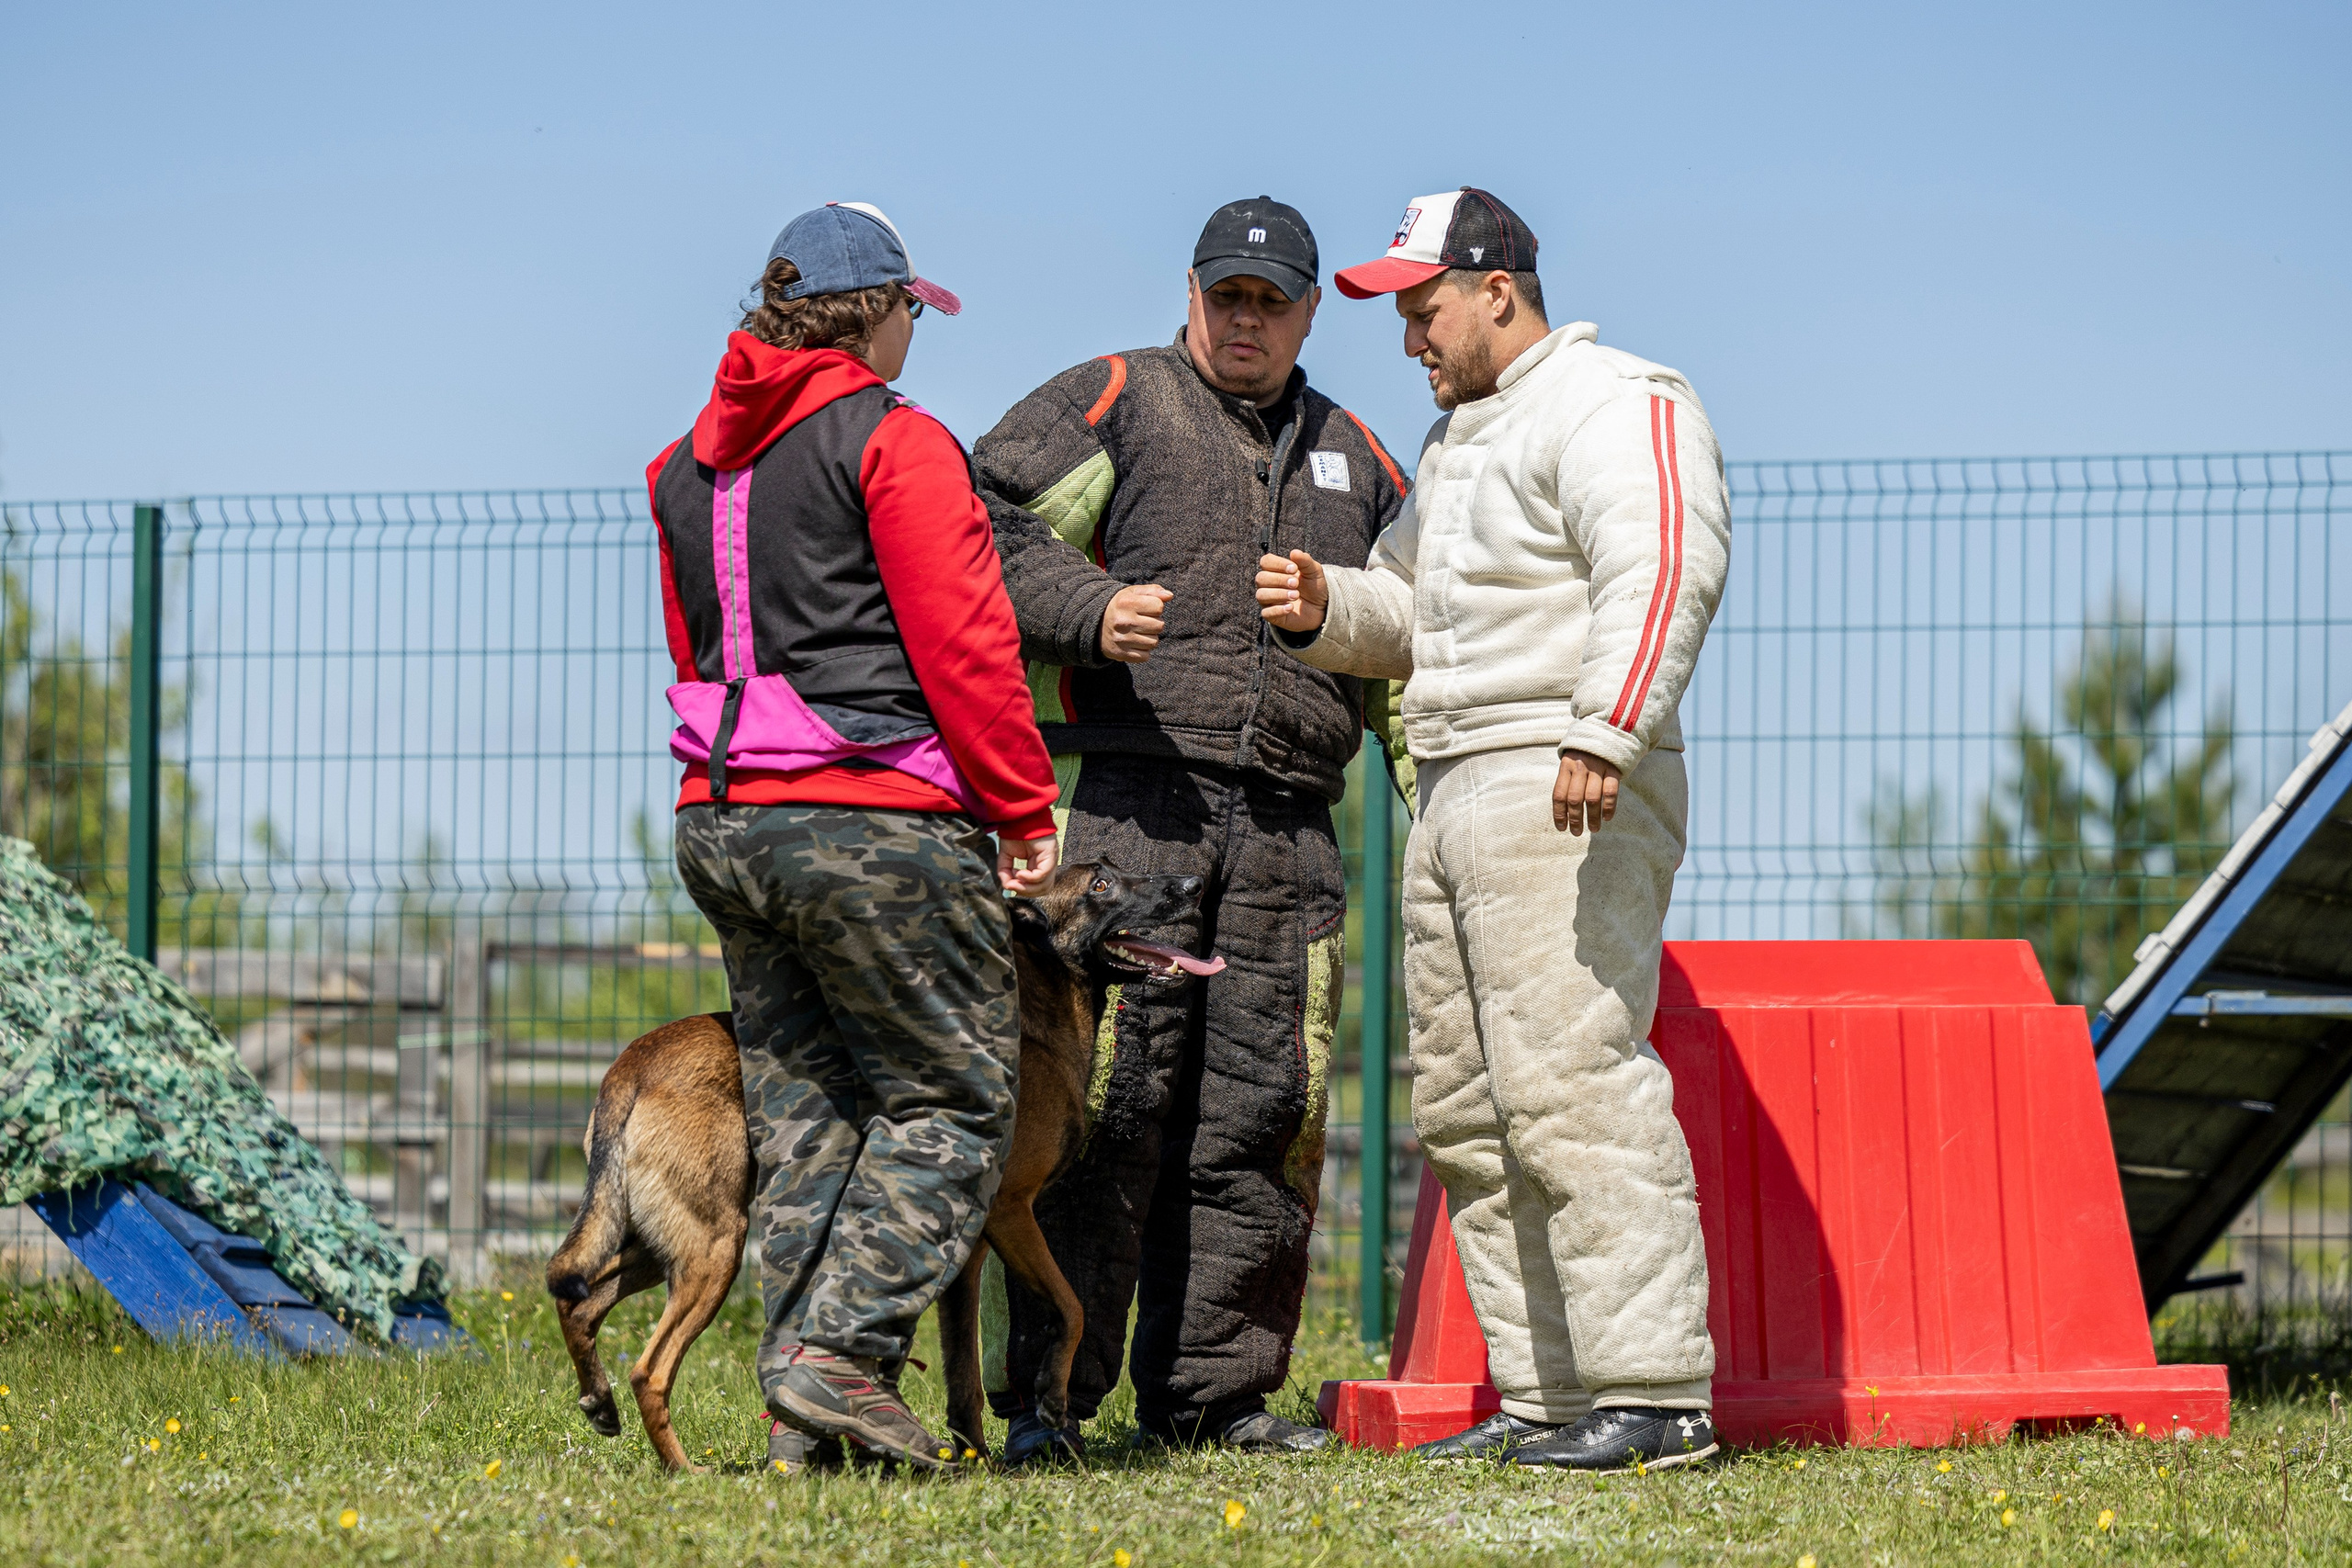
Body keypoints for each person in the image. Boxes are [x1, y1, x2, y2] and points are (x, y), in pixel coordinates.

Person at [1256, 187, 1731, 1472]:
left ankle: (1654, 1394)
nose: (1411, 337)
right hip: (1459, 781)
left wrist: (1605, 729)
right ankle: (1550, 1400)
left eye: (1424, 310)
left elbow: (1668, 558)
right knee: (1471, 1110)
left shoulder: (1618, 399)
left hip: (1559, 768)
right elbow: (1409, 613)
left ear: (1497, 291)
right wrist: (1321, 607)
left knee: (1572, 1077)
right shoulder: (1465, 440)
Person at [970, 197, 1408, 1462]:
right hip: (1130, 816)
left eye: (1271, 303)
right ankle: (1045, 1405)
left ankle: (1217, 1405)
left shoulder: (1363, 459)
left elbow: (1424, 618)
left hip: (1291, 833)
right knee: (1098, 1119)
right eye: (1228, 298)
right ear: (1193, 292)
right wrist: (1087, 606)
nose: (1246, 322)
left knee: (1264, 1119)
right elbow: (979, 525)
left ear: (1312, 311)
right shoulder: (1120, 399)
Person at [649, 201, 1060, 1475]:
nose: (911, 336)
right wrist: (1022, 807)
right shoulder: (893, 441)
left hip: (723, 820)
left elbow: (695, 644)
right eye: (908, 313)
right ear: (871, 310)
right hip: (873, 817)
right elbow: (967, 644)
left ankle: (800, 1427)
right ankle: (840, 1353)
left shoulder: (684, 465)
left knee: (809, 1108)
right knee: (951, 1098)